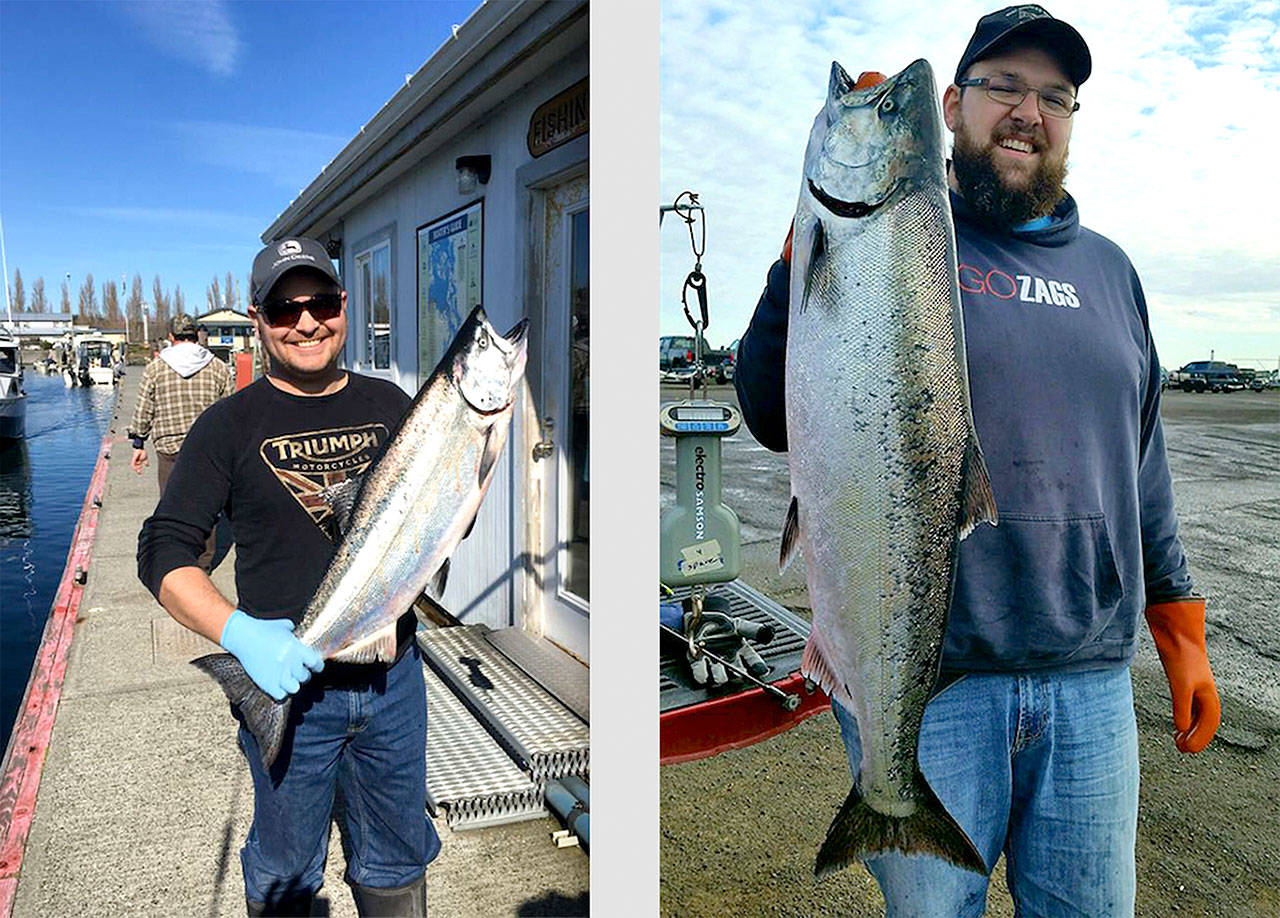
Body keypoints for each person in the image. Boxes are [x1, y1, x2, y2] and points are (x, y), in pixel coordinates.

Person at [733, 6, 1220, 916]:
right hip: (933, 680)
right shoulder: (902, 243)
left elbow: (1141, 459)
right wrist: (800, 257)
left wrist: (1180, 627)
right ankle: (886, 795)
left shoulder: (1113, 272)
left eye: (1054, 96)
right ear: (953, 107)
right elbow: (769, 413)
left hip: (1091, 685)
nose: (1028, 112)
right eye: (1003, 88)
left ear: (1071, 120)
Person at [137, 237, 439, 917]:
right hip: (294, 693)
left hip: (394, 681)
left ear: (344, 304)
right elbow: (162, 550)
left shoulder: (392, 405)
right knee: (285, 870)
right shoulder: (228, 425)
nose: (306, 322)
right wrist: (239, 634)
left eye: (321, 303)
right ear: (258, 318)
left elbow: (433, 524)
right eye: (284, 308)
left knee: (398, 853)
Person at [128, 313, 234, 571]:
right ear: (197, 336)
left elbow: (144, 409)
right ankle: (204, 563)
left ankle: (177, 561)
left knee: (172, 507)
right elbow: (231, 411)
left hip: (170, 450)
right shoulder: (218, 367)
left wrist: (138, 444)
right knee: (208, 508)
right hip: (209, 451)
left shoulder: (155, 368)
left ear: (172, 337)